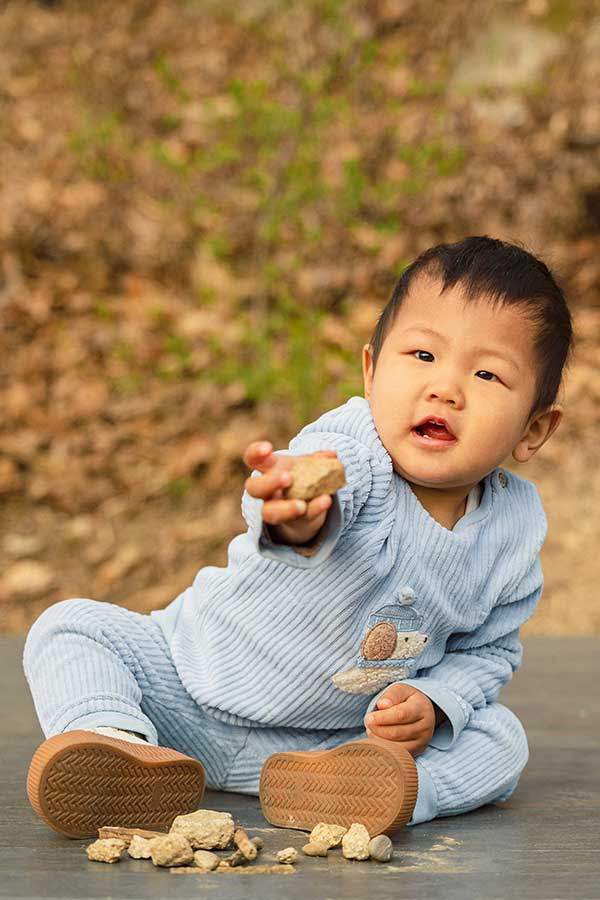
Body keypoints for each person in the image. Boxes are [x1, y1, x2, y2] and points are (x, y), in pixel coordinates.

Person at [23, 236, 574, 839]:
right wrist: (299, 511)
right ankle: (119, 748)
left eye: (487, 372)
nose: (445, 388)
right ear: (370, 371)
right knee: (71, 627)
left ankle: (378, 794)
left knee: (502, 739)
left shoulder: (513, 529)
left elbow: (488, 652)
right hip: (185, 692)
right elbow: (318, 480)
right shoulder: (354, 444)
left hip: (333, 747)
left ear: (534, 429)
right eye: (421, 355)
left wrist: (437, 701)